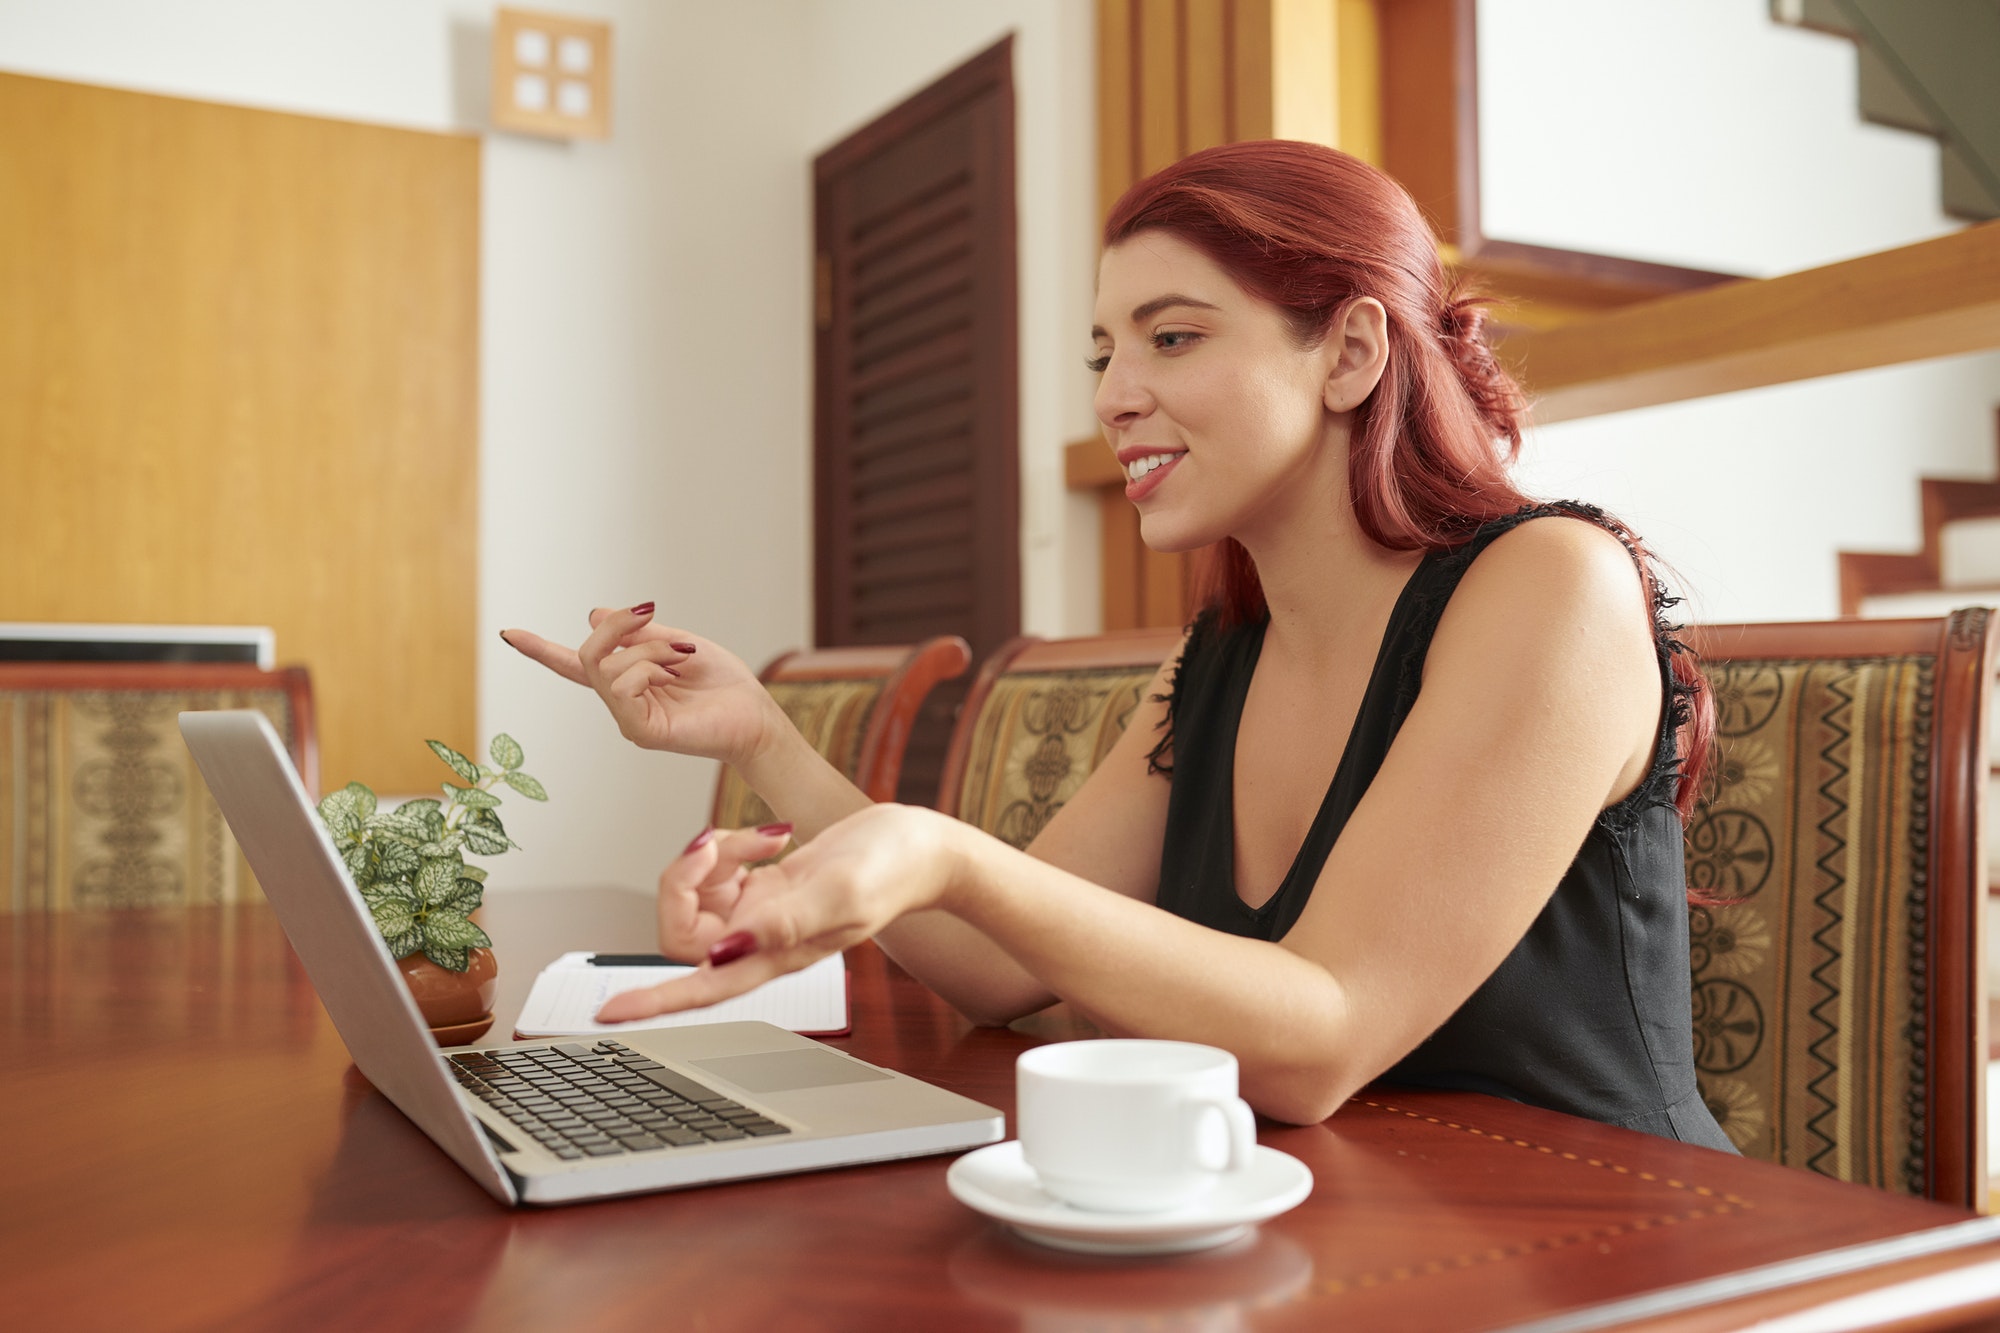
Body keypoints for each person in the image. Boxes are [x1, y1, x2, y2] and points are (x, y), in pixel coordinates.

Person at [502, 139, 1734, 1149]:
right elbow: (996, 967)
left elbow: (1317, 1037)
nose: (1111, 394)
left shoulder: (1548, 585)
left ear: (1350, 354)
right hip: (1332, 1228)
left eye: (1173, 337)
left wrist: (937, 851)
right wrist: (762, 738)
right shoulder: (1222, 651)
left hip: (1604, 1247)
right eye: (1104, 352)